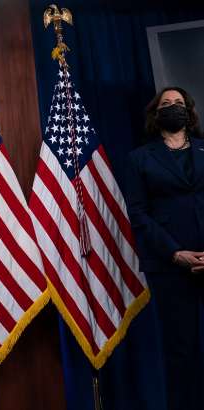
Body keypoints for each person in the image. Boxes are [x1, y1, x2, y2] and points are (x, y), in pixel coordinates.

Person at [124, 86, 204, 410]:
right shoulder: (140, 158)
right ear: (156, 115)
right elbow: (138, 213)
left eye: (179, 103)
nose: (173, 107)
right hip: (170, 266)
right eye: (166, 103)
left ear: (189, 111)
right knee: (181, 352)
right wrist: (175, 253)